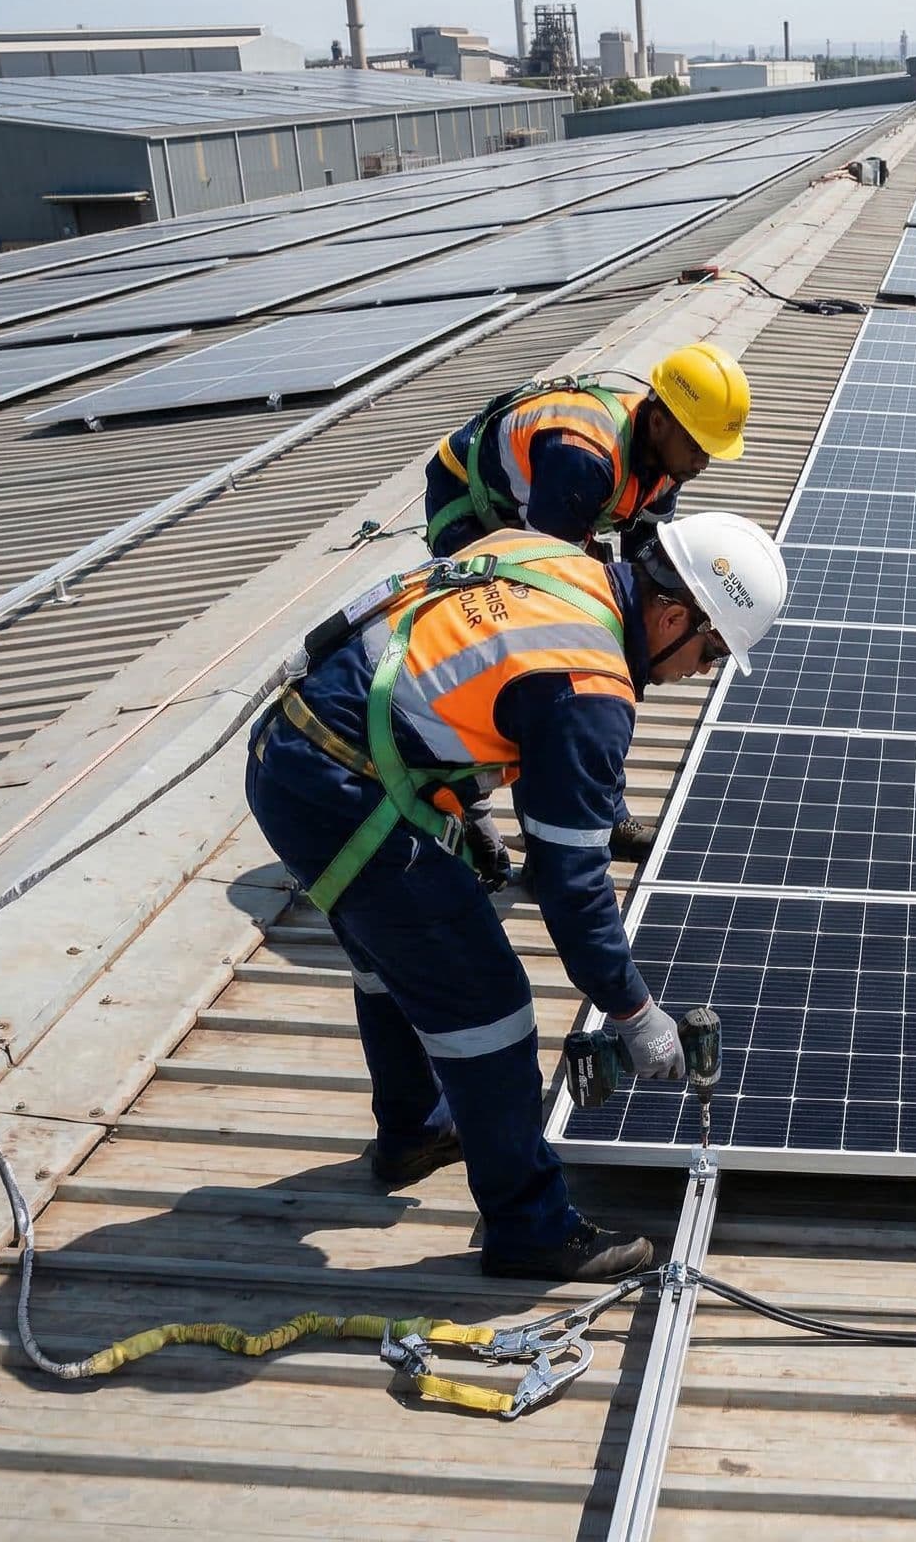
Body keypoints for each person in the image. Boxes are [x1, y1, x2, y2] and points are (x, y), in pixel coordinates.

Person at [243, 511, 789, 1280]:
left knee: (392, 957)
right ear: (672, 614)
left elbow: (443, 667)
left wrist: (466, 807)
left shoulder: (546, 555)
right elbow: (572, 883)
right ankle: (530, 1227)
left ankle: (415, 1129)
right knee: (489, 1004)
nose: (702, 670)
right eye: (710, 649)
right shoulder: (587, 685)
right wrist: (634, 1011)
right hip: (339, 790)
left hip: (298, 752)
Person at [422, 341, 752, 858]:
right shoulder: (581, 454)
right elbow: (550, 586)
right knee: (551, 672)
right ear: (661, 421)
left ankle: (601, 811)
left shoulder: (666, 462)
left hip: (542, 512)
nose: (703, 462)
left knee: (605, 657)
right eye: (698, 446)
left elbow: (642, 575)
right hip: (472, 512)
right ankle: (500, 819)